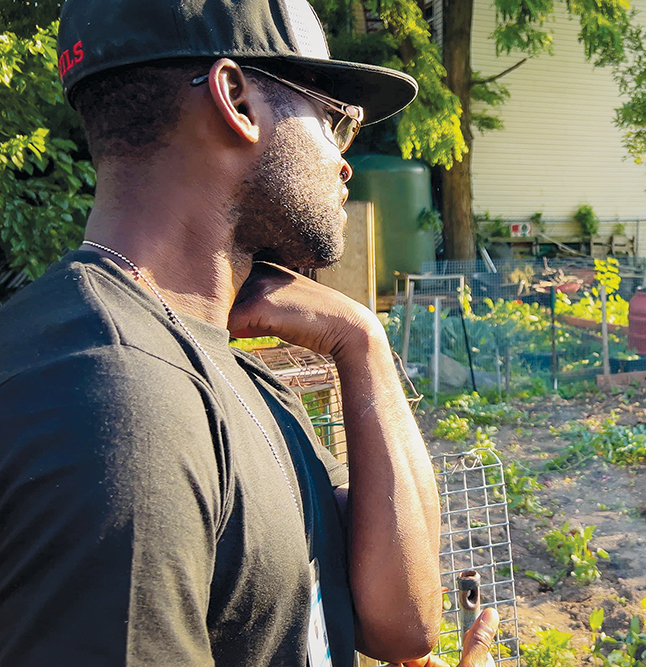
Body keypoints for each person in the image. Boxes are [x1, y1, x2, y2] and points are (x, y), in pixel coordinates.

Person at [0, 0, 457, 664]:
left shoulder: (219, 371)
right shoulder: (118, 400)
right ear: (237, 100)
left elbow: (402, 622)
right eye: (334, 119)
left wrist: (364, 344)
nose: (343, 160)